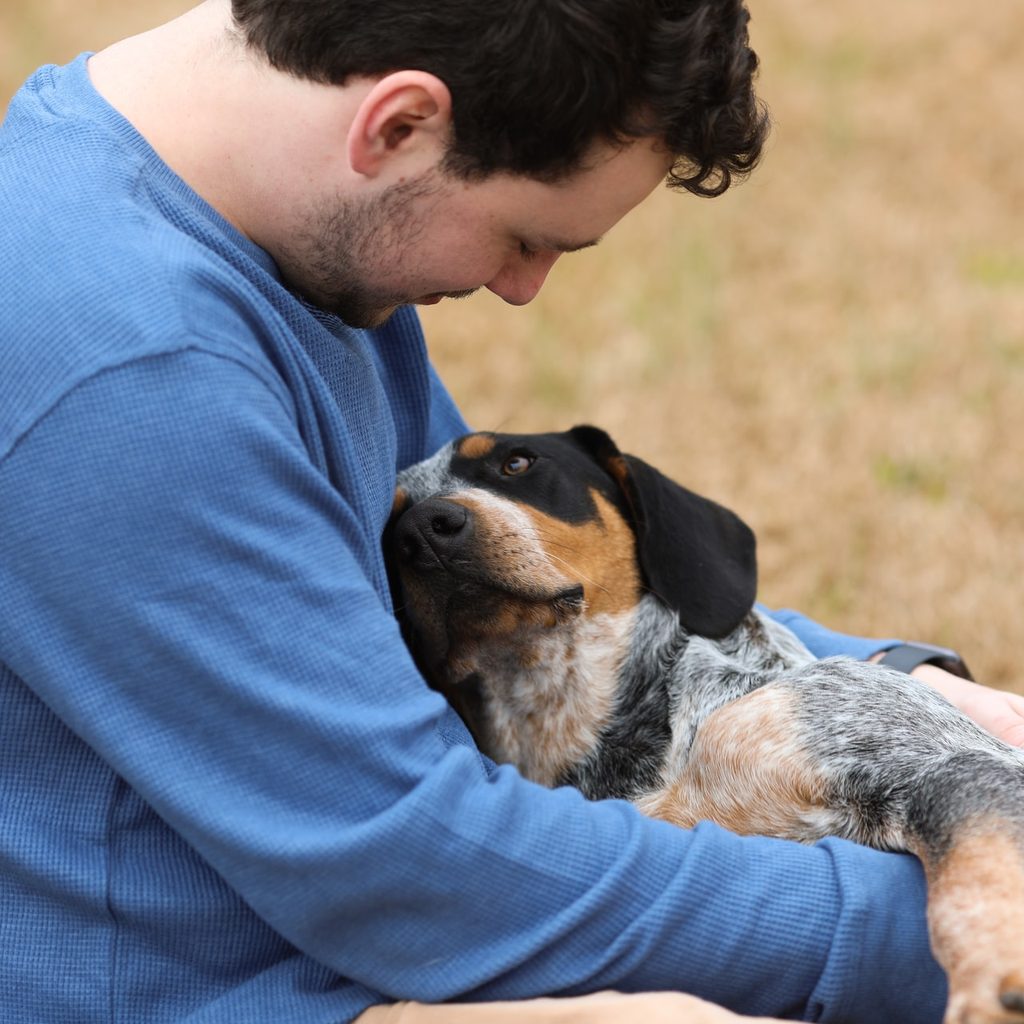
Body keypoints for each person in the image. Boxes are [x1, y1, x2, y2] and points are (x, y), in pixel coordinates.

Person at [2, 1, 1022, 1021]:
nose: (523, 289)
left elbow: (537, 577)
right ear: (400, 124)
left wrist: (891, 677)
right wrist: (925, 925)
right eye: (526, 238)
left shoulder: (283, 228)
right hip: (241, 989)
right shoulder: (134, 371)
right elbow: (418, 866)